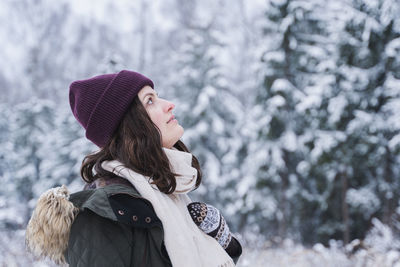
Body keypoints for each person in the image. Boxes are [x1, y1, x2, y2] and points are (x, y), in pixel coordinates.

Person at [25, 70, 242, 267]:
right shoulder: (106, 214)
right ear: (128, 126)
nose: (169, 104)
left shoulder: (167, 193)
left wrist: (223, 243)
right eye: (150, 101)